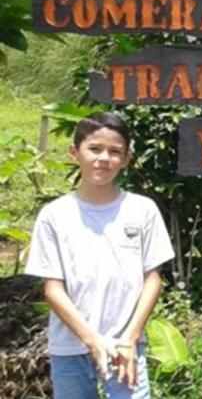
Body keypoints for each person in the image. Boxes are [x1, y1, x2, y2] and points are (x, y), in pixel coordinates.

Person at [25, 112, 175, 399]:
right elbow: (53, 288)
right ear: (74, 152)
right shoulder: (54, 215)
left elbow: (152, 279)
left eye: (115, 151)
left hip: (126, 347)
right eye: (95, 149)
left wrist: (130, 339)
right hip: (70, 348)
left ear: (126, 159)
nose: (104, 158)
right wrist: (91, 339)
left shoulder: (142, 210)